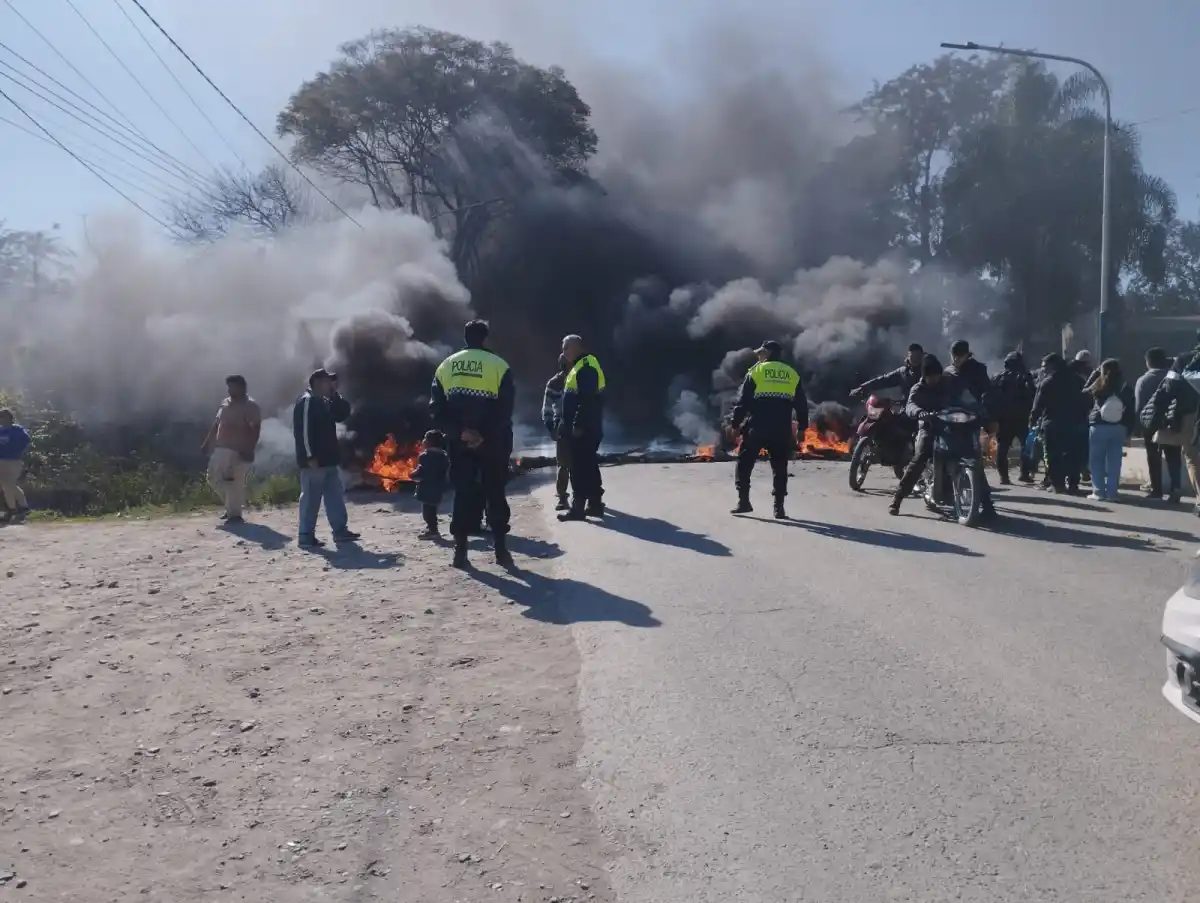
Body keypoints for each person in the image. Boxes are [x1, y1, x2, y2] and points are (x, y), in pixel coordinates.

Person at [430, 319, 515, 567]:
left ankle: (461, 553)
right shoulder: (499, 366)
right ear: (485, 339)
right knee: (495, 493)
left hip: (459, 445)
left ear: (465, 338)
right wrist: (483, 435)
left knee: (463, 494)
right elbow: (505, 409)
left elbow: (436, 410)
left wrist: (460, 433)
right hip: (494, 443)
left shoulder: (446, 366)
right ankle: (501, 553)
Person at [889, 354, 995, 518]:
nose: (934, 379)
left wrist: (978, 410)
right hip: (930, 426)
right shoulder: (918, 389)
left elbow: (968, 397)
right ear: (924, 376)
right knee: (920, 457)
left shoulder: (951, 382)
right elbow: (911, 405)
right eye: (931, 377)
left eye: (937, 376)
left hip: (954, 425)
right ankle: (897, 499)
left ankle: (988, 505)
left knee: (974, 459)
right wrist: (920, 412)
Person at [729, 339, 808, 519]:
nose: (758, 355)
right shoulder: (792, 374)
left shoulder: (756, 371)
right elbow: (801, 405)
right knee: (780, 467)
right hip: (781, 428)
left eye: (761, 353)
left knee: (744, 463)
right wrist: (802, 428)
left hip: (758, 426)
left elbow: (743, 402)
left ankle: (744, 502)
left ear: (768, 353)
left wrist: (735, 424)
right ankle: (778, 508)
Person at [293, 368, 360, 548]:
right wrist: (309, 456)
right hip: (314, 461)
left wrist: (334, 395)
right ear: (317, 382)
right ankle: (306, 535)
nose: (331, 384)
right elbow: (304, 432)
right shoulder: (307, 401)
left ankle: (340, 531)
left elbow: (342, 414)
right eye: (328, 381)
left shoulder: (324, 401)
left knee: (335, 496)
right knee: (311, 499)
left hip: (329, 459)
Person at [557, 334, 606, 522]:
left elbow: (587, 400)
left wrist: (577, 425)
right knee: (589, 465)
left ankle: (578, 509)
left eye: (565, 348)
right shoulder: (584, 365)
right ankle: (594, 505)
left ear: (577, 347)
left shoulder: (585, 367)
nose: (563, 352)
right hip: (589, 427)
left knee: (578, 469)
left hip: (583, 429)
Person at [200, 375, 261, 523]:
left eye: (233, 387)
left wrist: (249, 449)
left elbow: (255, 429)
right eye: (229, 387)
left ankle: (234, 515)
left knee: (234, 481)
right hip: (221, 448)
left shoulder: (250, 406)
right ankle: (231, 507)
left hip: (238, 450)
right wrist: (207, 442)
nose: (230, 390)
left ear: (242, 387)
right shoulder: (225, 403)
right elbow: (217, 424)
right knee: (213, 478)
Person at [946, 339, 996, 509]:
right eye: (954, 356)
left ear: (967, 354)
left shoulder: (978, 370)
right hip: (950, 420)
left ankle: (987, 503)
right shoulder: (948, 371)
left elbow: (987, 394)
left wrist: (986, 415)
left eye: (960, 356)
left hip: (972, 420)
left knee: (974, 460)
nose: (956, 359)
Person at [1146, 353, 1200, 513]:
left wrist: (1157, 418)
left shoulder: (1184, 360)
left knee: (1193, 456)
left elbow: (1168, 388)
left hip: (1190, 415)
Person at [1030, 353, 1084, 493]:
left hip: (1053, 423)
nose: (1043, 370)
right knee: (1072, 454)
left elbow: (1038, 405)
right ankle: (1073, 484)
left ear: (1052, 366)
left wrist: (1032, 420)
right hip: (1074, 423)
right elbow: (1086, 400)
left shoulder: (1048, 382)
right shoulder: (1077, 380)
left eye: (1045, 367)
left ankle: (1057, 484)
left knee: (1054, 455)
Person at [1084, 358, 1136, 501]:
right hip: (1119, 426)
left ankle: (1098, 492)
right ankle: (1112, 493)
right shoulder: (1125, 386)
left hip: (1098, 425)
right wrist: (1129, 431)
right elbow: (1131, 410)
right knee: (1114, 461)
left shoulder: (1098, 384)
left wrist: (1094, 374)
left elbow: (1084, 391)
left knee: (1096, 460)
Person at [990, 352, 1036, 485]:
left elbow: (990, 397)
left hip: (1003, 418)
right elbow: (1033, 393)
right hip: (1022, 417)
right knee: (1025, 446)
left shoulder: (997, 377)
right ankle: (1024, 474)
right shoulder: (1025, 376)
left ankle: (1004, 477)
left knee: (1002, 447)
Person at [1135, 347, 1173, 500]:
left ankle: (1156, 490)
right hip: (1171, 422)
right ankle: (1174, 489)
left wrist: (1137, 427)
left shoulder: (1143, 380)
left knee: (1153, 457)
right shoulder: (1173, 378)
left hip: (1150, 425)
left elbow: (1138, 406)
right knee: (1172, 457)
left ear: (1148, 362)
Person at [542, 354, 572, 511]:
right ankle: (562, 497)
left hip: (580, 423)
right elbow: (547, 408)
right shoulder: (555, 383)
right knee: (563, 464)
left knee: (583, 463)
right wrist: (551, 427)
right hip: (562, 424)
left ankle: (589, 496)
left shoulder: (582, 379)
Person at [850, 343, 924, 401]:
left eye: (917, 356)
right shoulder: (903, 372)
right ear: (908, 357)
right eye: (912, 356)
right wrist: (862, 388)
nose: (915, 359)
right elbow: (884, 380)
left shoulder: (928, 371)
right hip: (908, 409)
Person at [411, 430, 450, 539]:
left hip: (427, 488)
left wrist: (413, 475)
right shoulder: (444, 456)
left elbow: (421, 471)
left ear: (428, 442)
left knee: (428, 512)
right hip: (438, 488)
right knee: (432, 509)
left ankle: (433, 531)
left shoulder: (425, 456)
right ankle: (432, 529)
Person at [0, 408, 31, 523]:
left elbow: (26, 440)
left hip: (14, 461)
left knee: (8, 484)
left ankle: (12, 509)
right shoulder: (0, 430)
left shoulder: (17, 429)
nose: (1, 420)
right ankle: (22, 507)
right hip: (1, 460)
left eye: (3, 417)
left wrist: (16, 451)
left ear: (9, 418)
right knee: (7, 485)